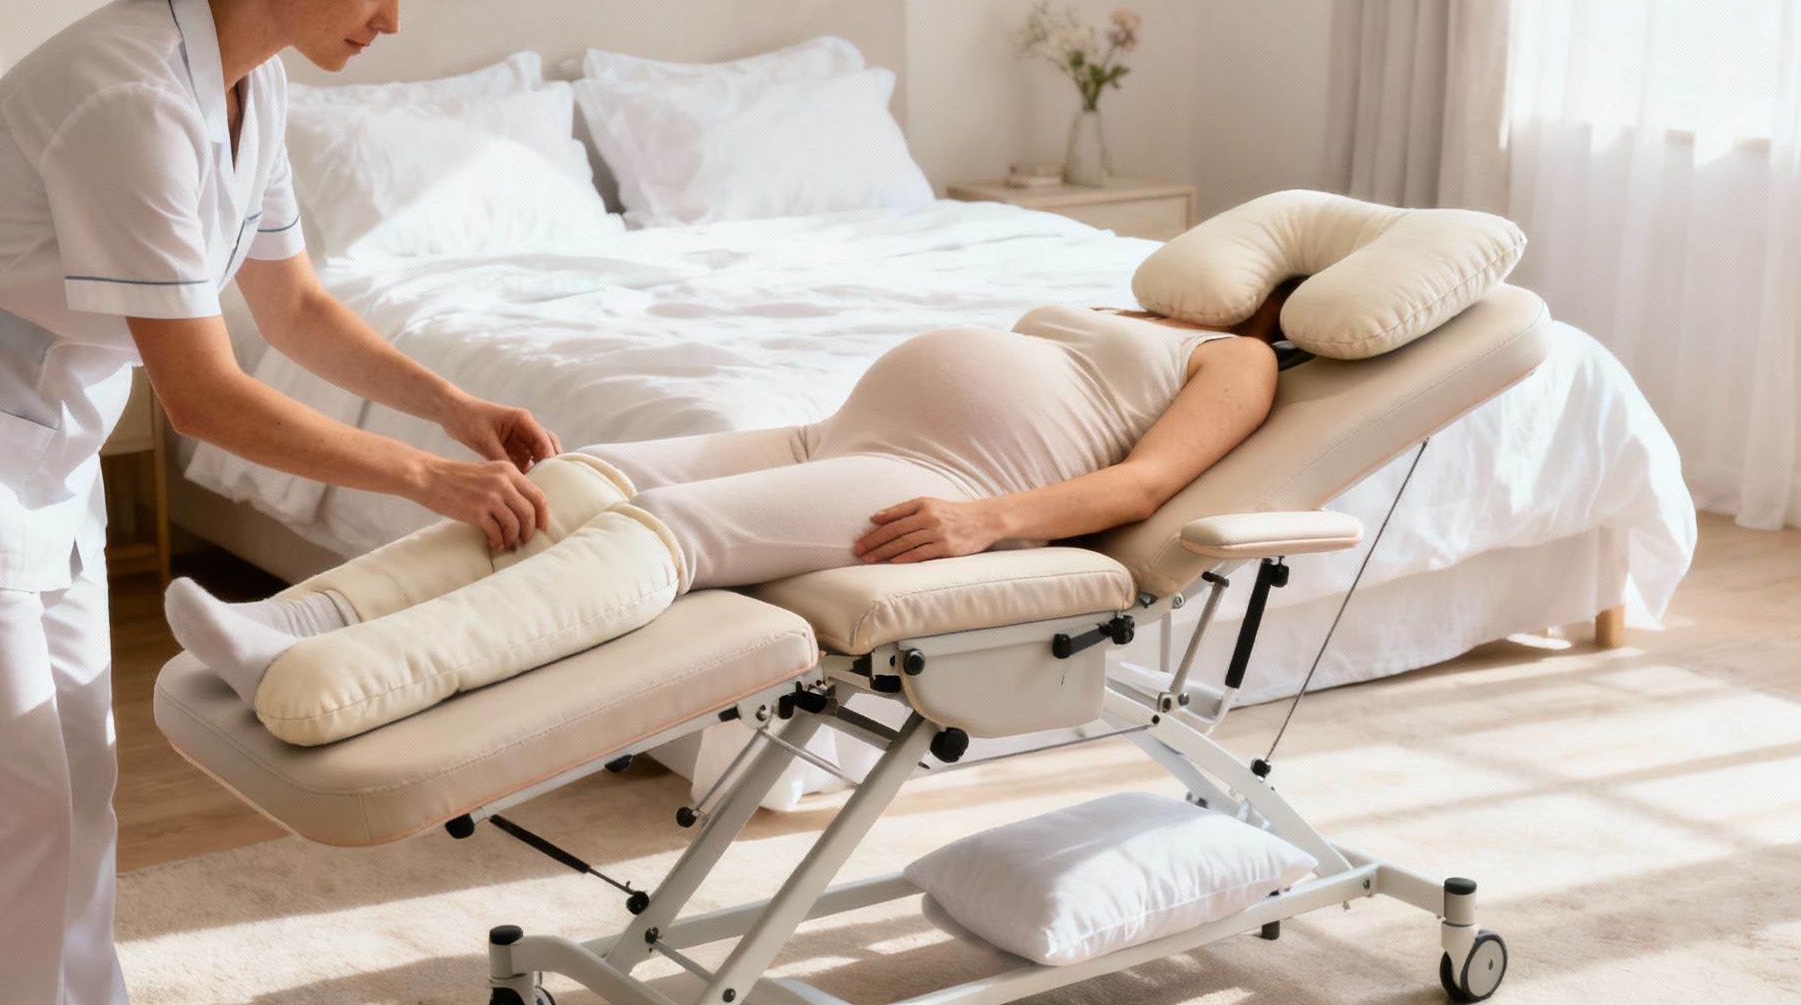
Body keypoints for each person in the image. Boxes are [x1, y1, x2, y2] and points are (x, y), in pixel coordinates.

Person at [0, 0, 561, 1002]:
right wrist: (429, 477)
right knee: (1, 817)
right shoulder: (128, 91)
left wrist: (454, 406)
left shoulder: (252, 81)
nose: (391, 21)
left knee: (77, 786)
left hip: (39, 450)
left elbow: (295, 308)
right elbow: (204, 395)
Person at [162, 285, 1299, 734]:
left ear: (1273, 304)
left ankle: (363, 674)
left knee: (664, 538)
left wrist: (988, 523)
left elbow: (1144, 489)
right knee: (581, 476)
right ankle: (302, 624)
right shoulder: (1120, 310)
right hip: (836, 430)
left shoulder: (1235, 362)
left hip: (937, 483)